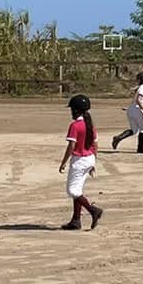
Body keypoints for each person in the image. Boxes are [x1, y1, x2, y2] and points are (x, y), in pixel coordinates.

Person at [58, 94, 104, 229]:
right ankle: (76, 220)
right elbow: (95, 145)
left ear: (76, 110)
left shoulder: (75, 125)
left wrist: (63, 162)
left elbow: (71, 146)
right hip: (89, 159)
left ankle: (93, 210)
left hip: (79, 160)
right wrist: (93, 163)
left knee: (72, 191)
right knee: (77, 189)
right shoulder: (90, 125)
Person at [110, 71, 143, 153]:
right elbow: (139, 100)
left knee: (134, 130)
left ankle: (118, 138)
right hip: (138, 111)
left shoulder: (140, 87)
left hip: (132, 110)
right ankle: (140, 148)